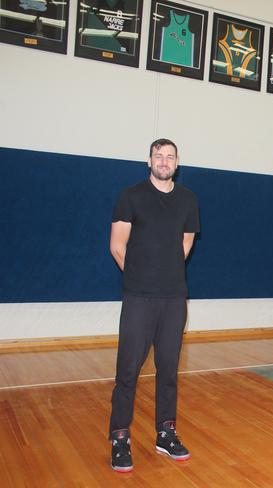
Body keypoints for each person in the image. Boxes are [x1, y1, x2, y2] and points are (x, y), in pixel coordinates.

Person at [108, 138, 200, 472]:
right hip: (139, 298)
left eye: (170, 156)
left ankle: (166, 433)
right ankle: (120, 438)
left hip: (174, 299)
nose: (164, 161)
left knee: (169, 371)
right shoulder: (130, 196)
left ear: (177, 162)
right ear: (149, 161)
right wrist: (142, 277)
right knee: (128, 372)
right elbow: (118, 246)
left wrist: (166, 276)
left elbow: (184, 244)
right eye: (158, 156)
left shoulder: (188, 200)